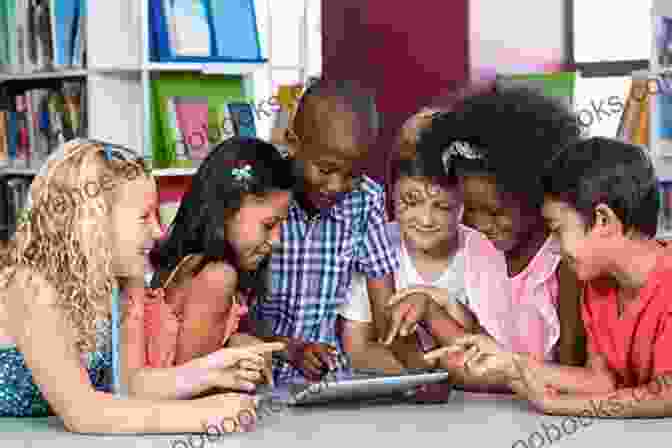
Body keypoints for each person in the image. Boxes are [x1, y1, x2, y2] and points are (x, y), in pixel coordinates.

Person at [0, 139, 264, 433]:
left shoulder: (124, 284)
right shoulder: (30, 286)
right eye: (144, 217)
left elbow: (129, 385)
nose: (158, 231)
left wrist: (211, 371)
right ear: (94, 221)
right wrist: (205, 415)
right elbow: (83, 413)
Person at [434, 137, 672, 418]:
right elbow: (601, 381)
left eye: (558, 230)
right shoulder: (597, 286)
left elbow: (665, 395)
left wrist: (559, 405)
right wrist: (510, 363)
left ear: (603, 220)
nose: (556, 246)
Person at [384, 88, 587, 390]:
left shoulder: (562, 262)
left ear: (537, 199)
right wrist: (428, 310)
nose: (480, 224)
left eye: (494, 212)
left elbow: (568, 376)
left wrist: (486, 373)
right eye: (472, 208)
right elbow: (484, 342)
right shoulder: (481, 248)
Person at [252, 78, 401, 383]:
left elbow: (386, 314)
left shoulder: (366, 200)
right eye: (325, 170)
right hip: (258, 379)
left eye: (353, 175)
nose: (336, 186)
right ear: (292, 143)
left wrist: (421, 372)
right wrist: (291, 350)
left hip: (330, 384)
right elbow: (234, 315)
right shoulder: (260, 195)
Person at [123, 137, 295, 399]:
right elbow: (193, 386)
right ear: (227, 209)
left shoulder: (184, 264)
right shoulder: (217, 275)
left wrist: (233, 344)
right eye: (269, 225)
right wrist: (239, 365)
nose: (277, 241)